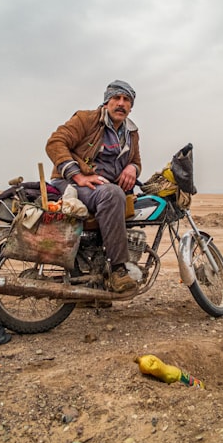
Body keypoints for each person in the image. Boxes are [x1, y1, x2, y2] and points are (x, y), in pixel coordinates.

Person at [46, 79, 142, 292]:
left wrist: (132, 168)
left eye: (126, 100)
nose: (121, 103)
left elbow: (136, 161)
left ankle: (95, 283)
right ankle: (118, 270)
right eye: (116, 98)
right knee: (112, 194)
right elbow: (55, 143)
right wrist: (78, 175)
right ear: (107, 102)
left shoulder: (131, 133)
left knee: (125, 201)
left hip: (101, 189)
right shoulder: (86, 119)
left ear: (131, 106)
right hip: (71, 184)